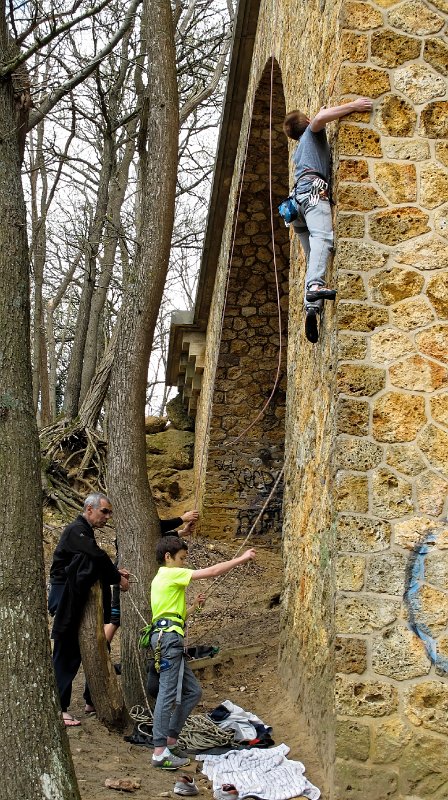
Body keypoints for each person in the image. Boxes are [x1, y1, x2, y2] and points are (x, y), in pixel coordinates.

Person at [150, 535, 256, 769]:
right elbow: (213, 571)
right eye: (181, 559)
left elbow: (174, 616)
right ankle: (159, 751)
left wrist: (193, 608)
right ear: (168, 557)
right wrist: (241, 559)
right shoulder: (169, 573)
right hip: (168, 640)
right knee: (167, 694)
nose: (184, 564)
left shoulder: (164, 579)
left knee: (193, 691)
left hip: (169, 637)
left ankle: (170, 740)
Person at [283, 97, 373, 343]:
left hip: (295, 207)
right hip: (313, 196)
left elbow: (318, 117)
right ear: (309, 122)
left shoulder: (300, 148)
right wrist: (353, 106)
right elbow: (322, 119)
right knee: (323, 238)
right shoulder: (312, 134)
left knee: (315, 256)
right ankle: (314, 289)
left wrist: (319, 114)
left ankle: (312, 307)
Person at [48, 492, 129, 726]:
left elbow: (95, 561)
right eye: (104, 511)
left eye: (109, 512)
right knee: (66, 652)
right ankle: (59, 708)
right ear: (89, 509)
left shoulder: (84, 531)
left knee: (92, 647)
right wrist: (115, 576)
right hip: (65, 597)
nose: (108, 517)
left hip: (76, 599)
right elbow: (95, 556)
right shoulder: (76, 530)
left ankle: (90, 699)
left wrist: (114, 573)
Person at [103, 509, 200, 648]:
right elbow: (153, 527)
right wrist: (181, 519)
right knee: (115, 619)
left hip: (124, 571)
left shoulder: (133, 527)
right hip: (124, 572)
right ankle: (101, 654)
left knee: (115, 619)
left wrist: (181, 533)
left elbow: (153, 534)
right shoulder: (132, 522)